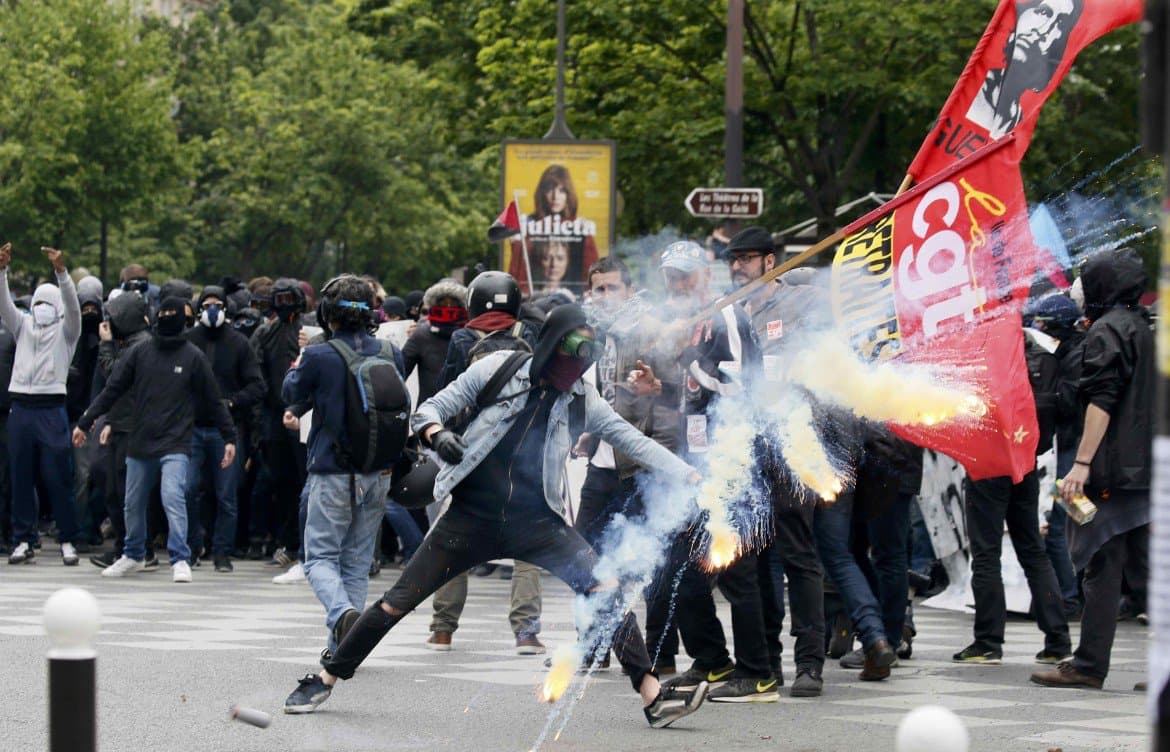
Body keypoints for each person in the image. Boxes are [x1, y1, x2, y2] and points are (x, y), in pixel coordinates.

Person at [282, 304, 710, 729]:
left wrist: (688, 473)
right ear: (550, 345)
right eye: (570, 355)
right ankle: (325, 678)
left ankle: (654, 698)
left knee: (606, 592)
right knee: (395, 603)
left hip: (538, 523)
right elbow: (428, 410)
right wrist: (439, 435)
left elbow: (632, 440)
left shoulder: (582, 395)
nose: (573, 371)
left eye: (584, 361)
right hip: (470, 519)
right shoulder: (500, 369)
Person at [629, 240, 773, 702]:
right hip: (695, 460)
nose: (677, 284)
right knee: (677, 565)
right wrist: (660, 388)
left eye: (685, 275)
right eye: (671, 275)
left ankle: (758, 674)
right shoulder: (690, 323)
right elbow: (695, 392)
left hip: (730, 456)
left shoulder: (725, 313)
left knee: (733, 567)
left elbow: (737, 383)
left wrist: (687, 359)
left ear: (705, 276)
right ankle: (712, 660)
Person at [1032, 248, 1153, 689]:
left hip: (1112, 471)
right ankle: (1089, 662)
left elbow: (1102, 400)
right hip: (1145, 471)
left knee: (1104, 561)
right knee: (1144, 569)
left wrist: (1081, 463)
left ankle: (1088, 665)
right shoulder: (1146, 328)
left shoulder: (1106, 332)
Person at [721, 227, 827, 697]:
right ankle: (766, 661)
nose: (738, 267)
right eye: (732, 260)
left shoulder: (799, 303)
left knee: (799, 555)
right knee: (752, 557)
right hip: (745, 446)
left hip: (791, 440)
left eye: (746, 258)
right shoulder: (727, 314)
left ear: (770, 261)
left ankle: (810, 662)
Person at [282, 274, 406, 655]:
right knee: (356, 561)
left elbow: (290, 392)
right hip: (378, 472)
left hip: (332, 470)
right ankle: (344, 646)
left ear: (326, 313)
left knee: (318, 557)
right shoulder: (390, 351)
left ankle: (342, 614)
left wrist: (299, 361)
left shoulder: (320, 355)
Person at [74, 297, 237, 583]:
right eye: (162, 315)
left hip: (175, 442)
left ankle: (180, 558)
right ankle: (133, 554)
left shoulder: (193, 356)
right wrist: (87, 422)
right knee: (132, 502)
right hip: (140, 441)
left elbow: (213, 401)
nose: (166, 319)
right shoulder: (140, 352)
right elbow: (112, 390)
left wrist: (230, 438)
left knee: (172, 496)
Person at [428, 271, 546, 655]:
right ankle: (526, 633)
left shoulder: (463, 338)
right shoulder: (528, 335)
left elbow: (449, 391)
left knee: (453, 537)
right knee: (528, 545)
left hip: (471, 452)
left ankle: (443, 629)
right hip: (522, 452)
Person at [0, 244, 84, 566]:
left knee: (57, 476)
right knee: (20, 475)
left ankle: (67, 539)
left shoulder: (68, 332)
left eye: (49, 303)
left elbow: (74, 309)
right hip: (20, 407)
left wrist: (62, 274)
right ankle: (23, 539)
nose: (43, 308)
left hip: (51, 409)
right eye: (38, 303)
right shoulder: (22, 327)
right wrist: (3, 271)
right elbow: (4, 303)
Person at [185, 285, 266, 572]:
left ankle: (222, 551)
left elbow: (257, 385)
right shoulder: (189, 340)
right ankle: (194, 546)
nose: (212, 309)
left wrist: (232, 403)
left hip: (227, 429)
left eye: (217, 304)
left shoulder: (238, 343)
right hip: (193, 428)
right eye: (207, 304)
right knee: (188, 489)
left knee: (226, 494)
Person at [87, 288, 157, 569]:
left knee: (127, 492)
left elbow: (114, 376)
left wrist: (105, 344)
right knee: (115, 491)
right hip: (123, 425)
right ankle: (126, 546)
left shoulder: (139, 345)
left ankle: (138, 548)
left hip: (133, 429)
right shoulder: (132, 342)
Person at [1031, 293, 1086, 617]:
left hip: (1071, 450)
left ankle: (1068, 597)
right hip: (1067, 449)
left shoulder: (1073, 356)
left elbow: (1068, 404)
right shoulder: (1068, 351)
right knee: (1069, 522)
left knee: (1061, 524)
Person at [251, 278, 308, 566]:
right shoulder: (265, 333)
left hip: (304, 415)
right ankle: (288, 541)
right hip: (275, 417)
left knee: (305, 480)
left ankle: (303, 544)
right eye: (279, 301)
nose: (285, 307)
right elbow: (256, 375)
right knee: (281, 482)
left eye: (289, 300)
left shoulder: (310, 331)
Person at [966, 0, 1084, 138]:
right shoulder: (973, 91)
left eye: (1060, 24)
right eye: (1043, 12)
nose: (1043, 30)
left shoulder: (1016, 120)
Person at [508, 165, 598, 295]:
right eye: (550, 189)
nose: (555, 197)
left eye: (561, 190)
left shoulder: (580, 227)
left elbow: (591, 272)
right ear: (542, 193)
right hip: (533, 298)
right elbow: (518, 276)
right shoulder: (527, 225)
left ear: (568, 194)